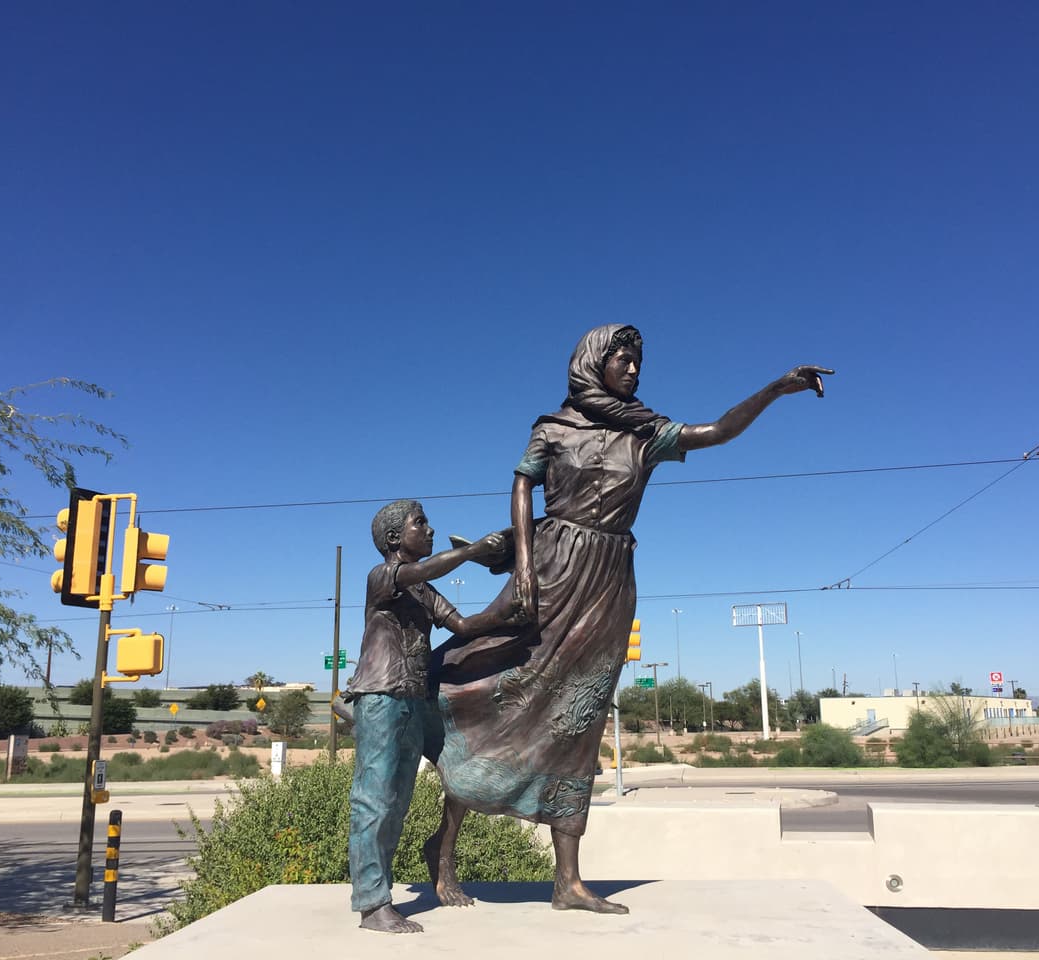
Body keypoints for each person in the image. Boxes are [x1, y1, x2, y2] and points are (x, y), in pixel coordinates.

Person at [427, 324, 832, 914]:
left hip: (609, 582)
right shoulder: (554, 428)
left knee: (579, 720)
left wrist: (774, 389)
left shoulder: (646, 435)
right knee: (499, 692)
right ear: (595, 362)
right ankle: (443, 849)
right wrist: (523, 560)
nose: (634, 370)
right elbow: (521, 484)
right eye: (623, 358)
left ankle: (567, 881)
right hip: (550, 566)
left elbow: (717, 431)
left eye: (639, 361)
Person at [345, 499, 517, 934]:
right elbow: (425, 570)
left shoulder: (423, 590)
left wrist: (518, 602)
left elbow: (463, 626)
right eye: (419, 523)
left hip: (413, 701)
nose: (430, 529)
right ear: (392, 539)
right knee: (374, 799)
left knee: (397, 802)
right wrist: (473, 551)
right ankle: (372, 904)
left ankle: (379, 897)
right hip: (381, 696)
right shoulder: (385, 576)